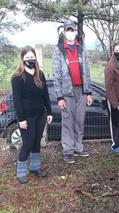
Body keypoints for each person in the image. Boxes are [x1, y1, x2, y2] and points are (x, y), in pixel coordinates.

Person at [52, 19, 93, 164]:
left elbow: (87, 72)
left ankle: (78, 147)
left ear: (75, 31)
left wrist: (88, 92)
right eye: (68, 30)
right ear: (64, 32)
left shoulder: (81, 49)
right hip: (67, 92)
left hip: (81, 91)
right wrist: (59, 97)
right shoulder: (59, 50)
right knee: (68, 122)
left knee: (79, 120)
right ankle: (68, 150)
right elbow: (56, 75)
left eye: (72, 30)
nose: (70, 32)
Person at [11, 46, 53, 183]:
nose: (30, 59)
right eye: (27, 57)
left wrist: (49, 112)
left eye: (32, 57)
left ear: (35, 58)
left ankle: (35, 167)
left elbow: (45, 95)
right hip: (27, 117)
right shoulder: (17, 77)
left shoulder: (39, 74)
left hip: (40, 115)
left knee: (36, 141)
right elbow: (17, 100)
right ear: (22, 59)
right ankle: (21, 172)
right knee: (28, 143)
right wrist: (21, 119)